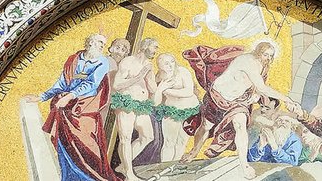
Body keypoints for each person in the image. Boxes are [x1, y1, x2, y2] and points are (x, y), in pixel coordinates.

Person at [182, 41, 302, 180]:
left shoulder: (263, 67)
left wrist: (255, 95)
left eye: (270, 56)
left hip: (238, 101)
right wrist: (286, 99)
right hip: (218, 96)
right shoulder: (247, 61)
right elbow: (262, 87)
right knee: (206, 126)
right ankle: (194, 151)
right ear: (258, 52)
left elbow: (256, 87)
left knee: (240, 125)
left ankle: (244, 165)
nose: (267, 58)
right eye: (265, 54)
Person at [24, 34, 121, 181]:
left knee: (89, 149)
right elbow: (62, 83)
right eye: (100, 42)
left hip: (84, 110)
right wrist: (41, 97)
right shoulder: (74, 59)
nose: (102, 45)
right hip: (66, 110)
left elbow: (92, 84)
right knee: (65, 147)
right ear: (90, 42)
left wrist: (69, 96)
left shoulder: (102, 62)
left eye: (104, 43)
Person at [111, 39, 159, 179]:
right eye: (154, 46)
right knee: (125, 138)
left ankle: (123, 166)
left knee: (148, 136)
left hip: (141, 104)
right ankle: (129, 174)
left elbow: (153, 89)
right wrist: (139, 76)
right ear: (145, 46)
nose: (156, 49)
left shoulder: (148, 65)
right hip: (126, 102)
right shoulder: (128, 62)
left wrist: (149, 76)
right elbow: (117, 84)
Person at [153, 53, 199, 162]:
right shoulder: (159, 77)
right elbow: (156, 102)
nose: (170, 65)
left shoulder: (183, 71)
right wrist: (160, 89)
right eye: (166, 63)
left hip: (189, 110)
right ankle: (165, 168)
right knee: (169, 142)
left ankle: (174, 167)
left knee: (182, 141)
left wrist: (166, 90)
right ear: (159, 66)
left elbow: (188, 91)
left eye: (172, 61)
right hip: (171, 111)